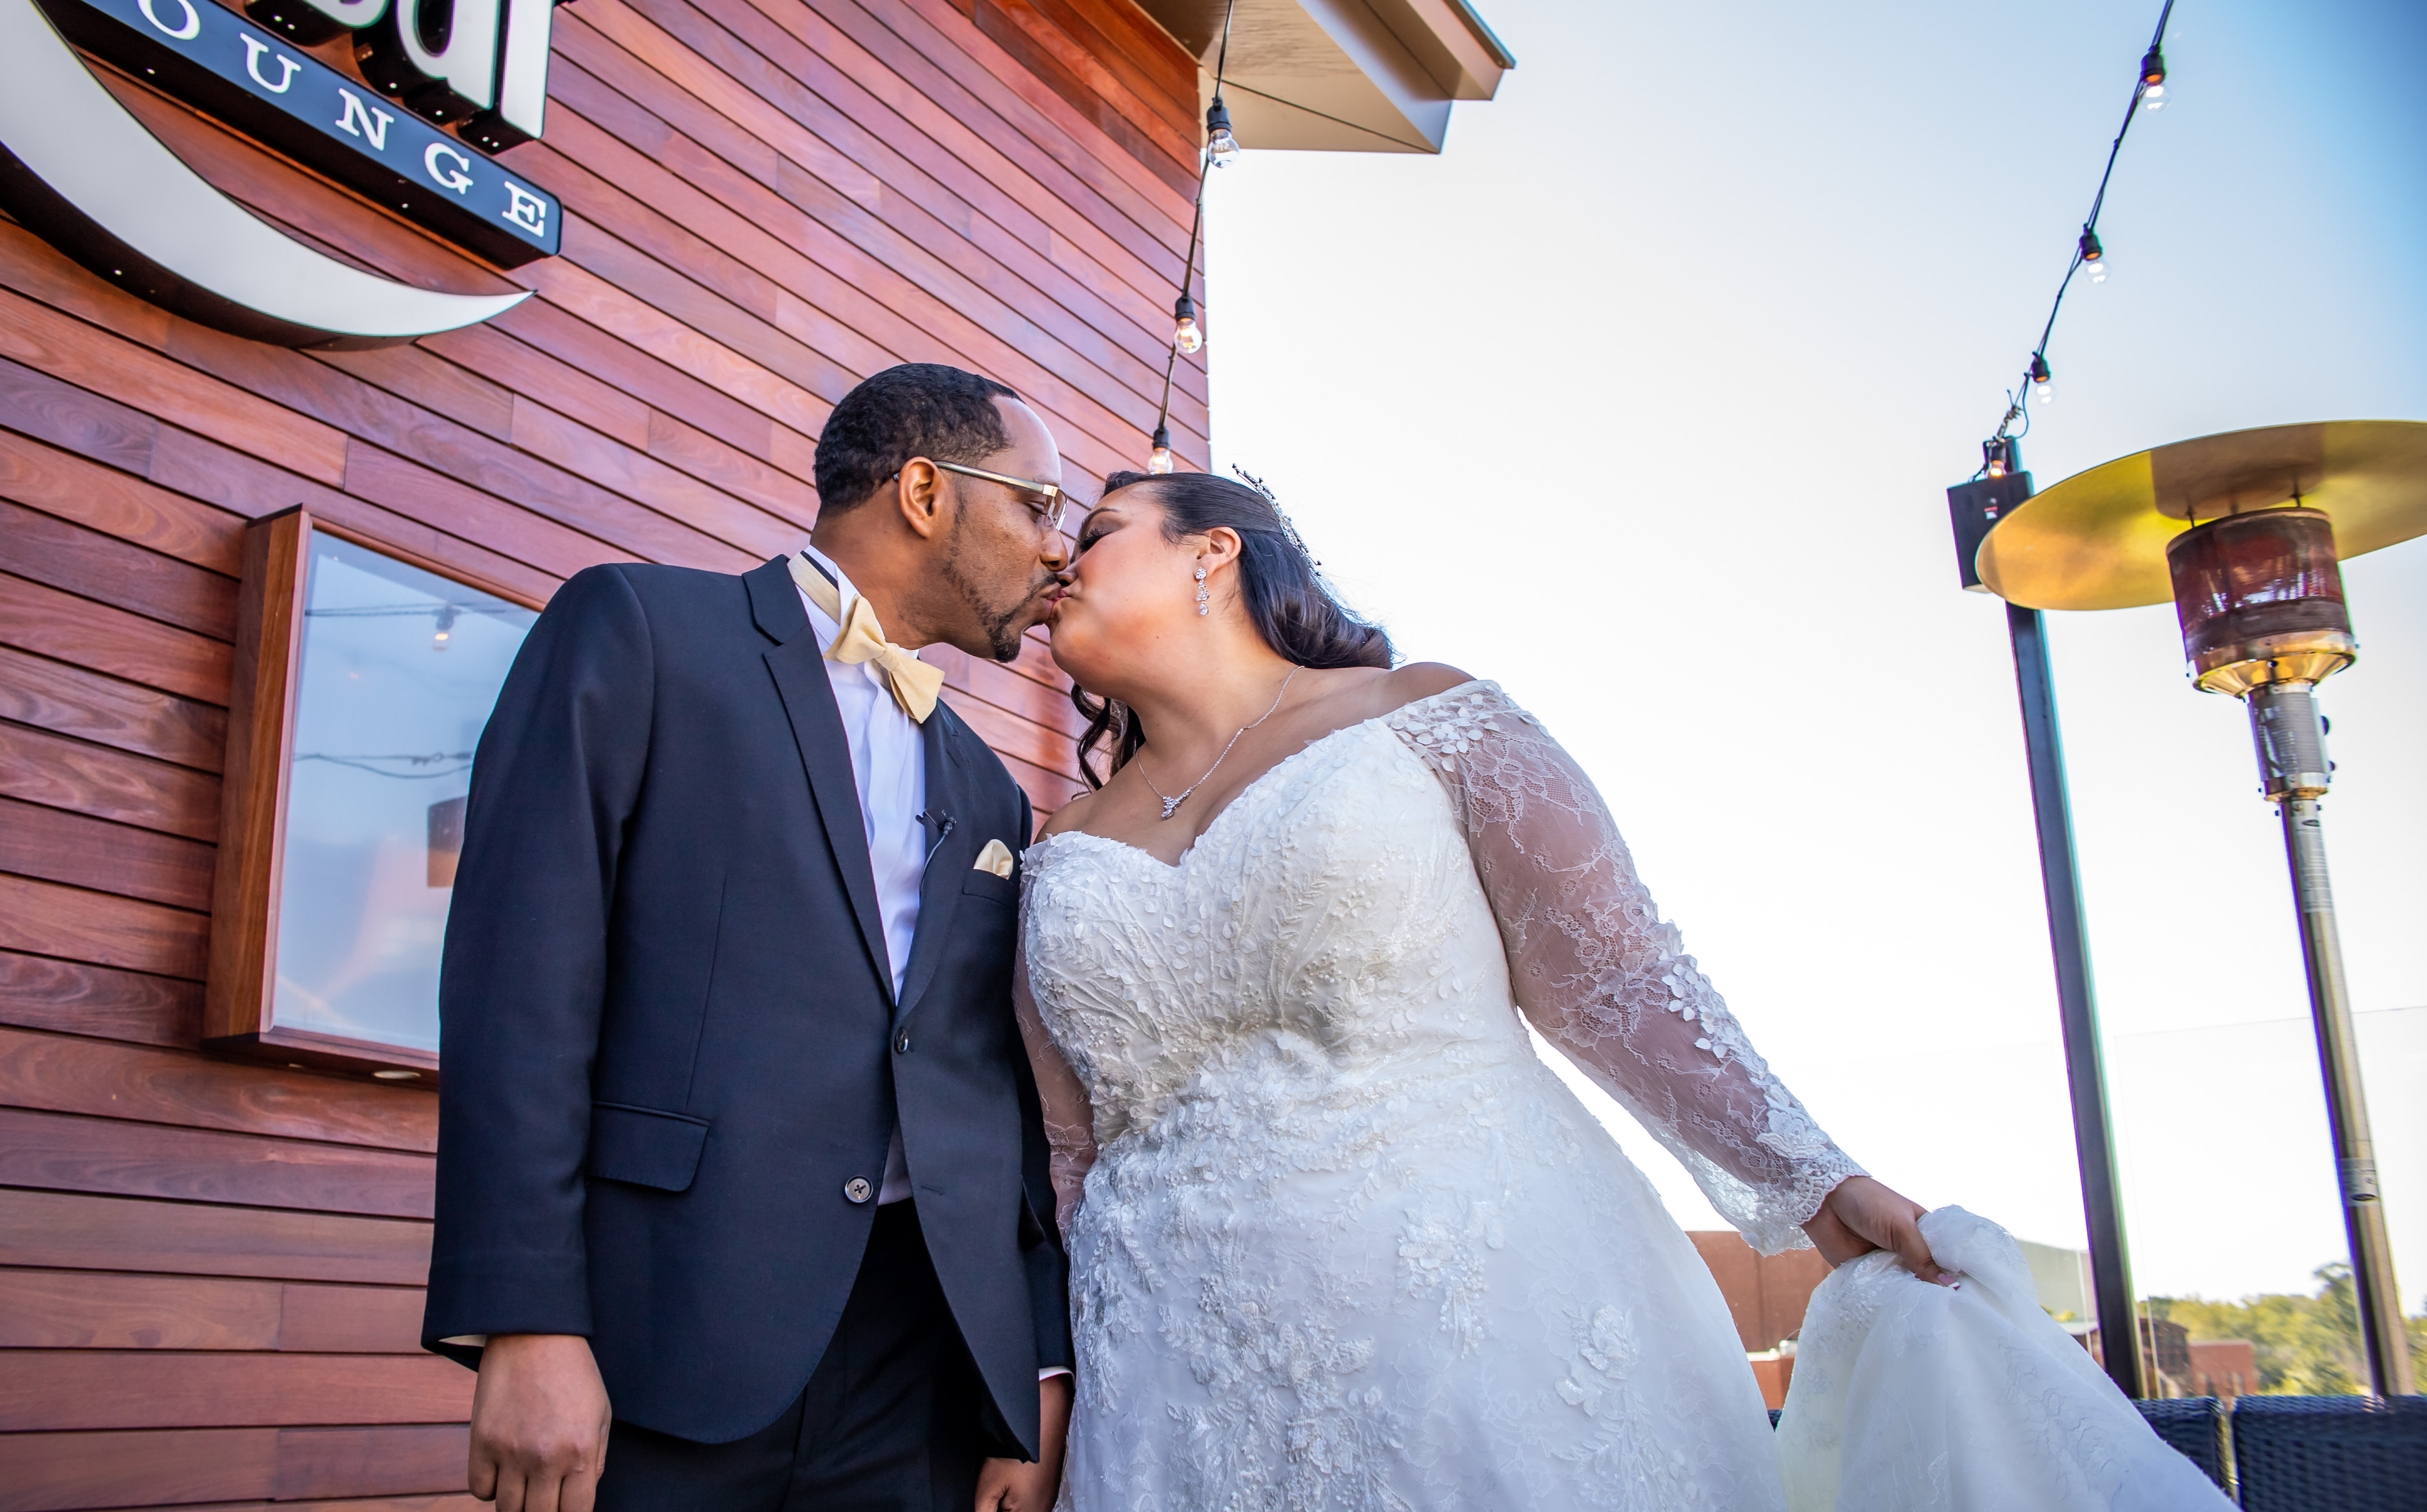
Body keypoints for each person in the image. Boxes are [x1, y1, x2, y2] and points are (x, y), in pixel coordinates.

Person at [1013, 469, 1949, 1509]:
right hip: (1163, 1382)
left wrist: (1813, 1177)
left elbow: (1619, 983)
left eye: (1097, 534)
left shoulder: (1417, 716)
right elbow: (1071, 1157)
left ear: (1212, 550)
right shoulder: (1064, 845)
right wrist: (1044, 1384)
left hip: (1472, 1325)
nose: (1060, 561)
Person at [424, 364, 1078, 1512]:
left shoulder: (987, 787)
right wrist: (526, 1316)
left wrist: (1028, 1366)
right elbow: (518, 985)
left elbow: (990, 1087)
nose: (1055, 549)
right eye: (1036, 505)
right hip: (667, 1330)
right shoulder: (641, 633)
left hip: (920, 1366)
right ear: (926, 492)